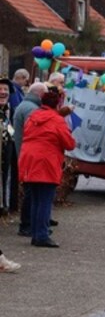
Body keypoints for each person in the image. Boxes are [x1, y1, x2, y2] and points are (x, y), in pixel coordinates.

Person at [18, 90, 74, 248]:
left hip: (29, 160)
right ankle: (41, 235)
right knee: (44, 201)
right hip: (46, 161)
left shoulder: (32, 117)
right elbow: (69, 143)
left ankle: (35, 233)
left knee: (35, 200)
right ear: (58, 104)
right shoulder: (57, 120)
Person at [12, 82, 46, 237]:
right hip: (29, 155)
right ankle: (26, 224)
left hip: (24, 153)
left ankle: (29, 223)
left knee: (30, 191)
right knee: (31, 192)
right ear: (40, 94)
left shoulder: (25, 106)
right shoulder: (32, 109)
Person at [0, 79, 17, 217]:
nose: (3, 92)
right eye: (0, 89)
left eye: (6, 89)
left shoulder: (10, 110)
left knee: (6, 177)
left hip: (7, 151)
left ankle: (4, 205)